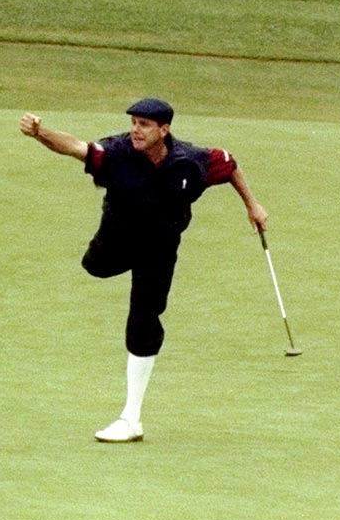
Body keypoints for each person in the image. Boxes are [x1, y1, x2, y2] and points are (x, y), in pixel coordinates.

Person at [18, 98, 269, 443]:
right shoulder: (115, 154)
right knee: (95, 267)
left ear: (164, 130)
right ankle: (131, 263)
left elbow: (229, 164)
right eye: (134, 122)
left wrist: (253, 206)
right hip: (117, 240)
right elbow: (75, 146)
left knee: (144, 319)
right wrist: (39, 133)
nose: (136, 129)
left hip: (160, 247)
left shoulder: (190, 161)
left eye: (145, 124)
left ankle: (131, 418)